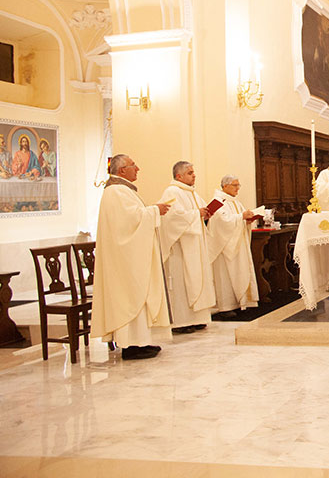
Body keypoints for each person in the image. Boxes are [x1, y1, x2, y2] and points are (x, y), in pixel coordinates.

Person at [90, 154, 171, 360]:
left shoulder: (122, 191)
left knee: (136, 295)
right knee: (129, 296)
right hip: (124, 259)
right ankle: (130, 345)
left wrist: (152, 211)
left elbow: (133, 218)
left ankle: (139, 342)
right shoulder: (116, 192)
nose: (138, 168)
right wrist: (155, 210)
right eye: (133, 165)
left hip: (128, 256)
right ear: (121, 170)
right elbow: (130, 221)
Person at [157, 161, 217, 334]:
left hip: (195, 245)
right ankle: (182, 322)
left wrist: (206, 214)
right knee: (183, 283)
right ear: (179, 176)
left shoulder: (193, 194)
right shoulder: (172, 191)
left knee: (198, 279)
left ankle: (198, 318)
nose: (194, 175)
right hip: (181, 248)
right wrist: (196, 214)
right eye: (190, 173)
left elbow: (200, 212)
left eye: (193, 172)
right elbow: (172, 218)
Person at [206, 175, 259, 316]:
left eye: (238, 185)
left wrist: (247, 220)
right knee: (225, 276)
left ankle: (239, 302)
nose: (238, 188)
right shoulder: (218, 201)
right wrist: (241, 217)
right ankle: (225, 307)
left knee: (239, 272)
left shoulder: (235, 202)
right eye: (235, 185)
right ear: (225, 186)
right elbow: (221, 221)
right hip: (224, 246)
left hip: (237, 243)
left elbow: (237, 219)